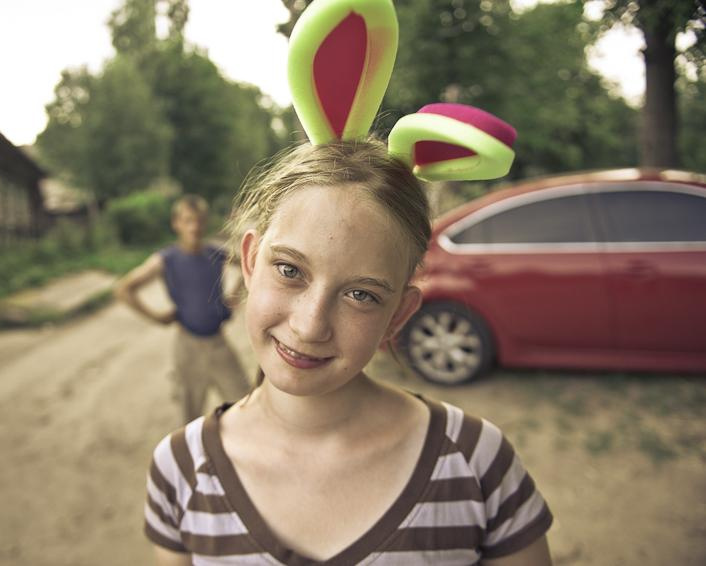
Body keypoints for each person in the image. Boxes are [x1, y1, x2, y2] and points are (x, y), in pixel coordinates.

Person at [143, 140, 554, 565]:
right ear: (249, 262)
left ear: (398, 315)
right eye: (289, 270)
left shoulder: (476, 464)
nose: (310, 325)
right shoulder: (181, 470)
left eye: (361, 294)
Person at [115, 194, 250, 423]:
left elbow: (251, 264)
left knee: (246, 404)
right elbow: (124, 289)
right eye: (187, 220)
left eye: (198, 220)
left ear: (205, 222)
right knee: (189, 415)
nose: (194, 227)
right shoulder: (166, 259)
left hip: (219, 344)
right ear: (176, 223)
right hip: (188, 347)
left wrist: (235, 294)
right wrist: (156, 317)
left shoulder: (216, 254)